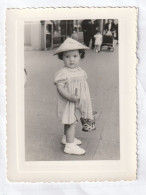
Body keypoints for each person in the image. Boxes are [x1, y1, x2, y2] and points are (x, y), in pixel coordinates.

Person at [54, 38, 95, 155]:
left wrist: (84, 98)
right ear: (62, 57)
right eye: (67, 57)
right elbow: (60, 87)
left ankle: (66, 138)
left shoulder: (80, 70)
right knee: (70, 121)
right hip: (69, 101)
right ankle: (70, 146)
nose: (71, 59)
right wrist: (69, 97)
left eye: (75, 56)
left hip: (78, 101)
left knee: (73, 120)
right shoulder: (63, 73)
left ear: (80, 56)